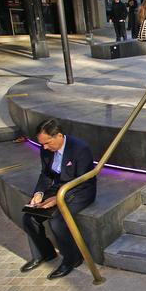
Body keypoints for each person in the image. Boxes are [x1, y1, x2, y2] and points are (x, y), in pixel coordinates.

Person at [20, 118, 96, 280]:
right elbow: (46, 174)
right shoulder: (45, 148)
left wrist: (58, 199)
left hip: (80, 190)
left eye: (47, 143)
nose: (45, 147)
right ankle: (46, 254)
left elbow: (84, 180)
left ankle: (72, 259)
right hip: (58, 188)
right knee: (29, 217)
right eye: (42, 144)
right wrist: (39, 192)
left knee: (57, 221)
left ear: (59, 136)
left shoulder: (80, 149)